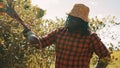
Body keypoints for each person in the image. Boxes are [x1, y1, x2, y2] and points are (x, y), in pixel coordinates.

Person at [23, 4, 110, 68]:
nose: (69, 20)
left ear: (81, 22)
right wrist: (29, 34)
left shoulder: (90, 37)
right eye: (69, 17)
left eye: (73, 19)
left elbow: (105, 56)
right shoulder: (59, 32)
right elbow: (40, 43)